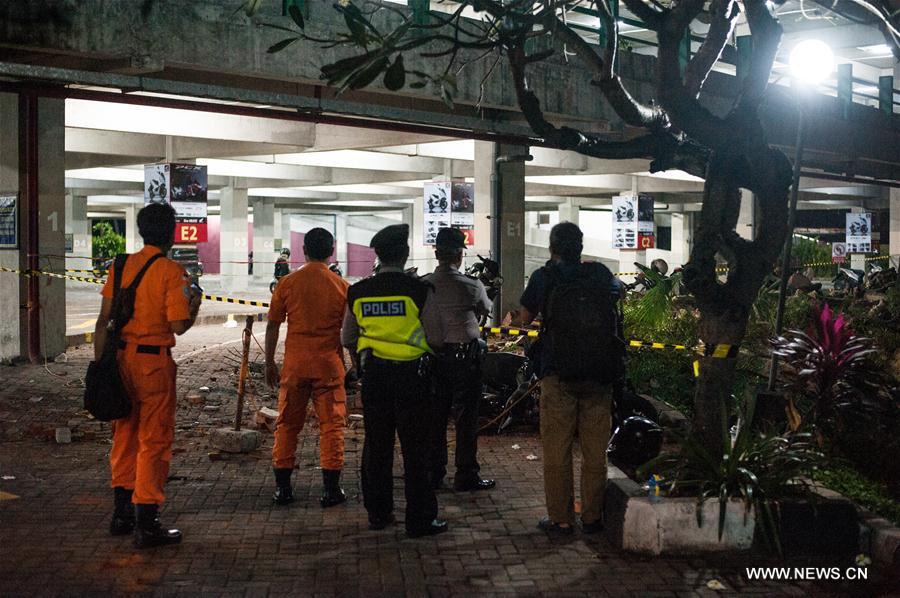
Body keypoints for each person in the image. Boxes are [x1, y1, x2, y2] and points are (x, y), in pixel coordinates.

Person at [94, 202, 201, 549]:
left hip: (121, 360)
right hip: (154, 365)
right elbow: (178, 326)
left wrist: (100, 366)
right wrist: (194, 305)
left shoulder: (121, 265)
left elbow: (102, 320)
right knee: (153, 440)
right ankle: (147, 520)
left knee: (124, 434)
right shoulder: (172, 272)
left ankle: (121, 513)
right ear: (171, 233)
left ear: (141, 231)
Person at [341, 224, 448, 538]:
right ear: (404, 255)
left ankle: (378, 514)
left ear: (378, 255)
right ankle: (420, 520)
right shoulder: (418, 290)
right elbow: (438, 338)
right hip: (413, 380)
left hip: (375, 379)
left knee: (377, 448)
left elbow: (347, 336)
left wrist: (360, 366)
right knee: (416, 450)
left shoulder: (358, 291)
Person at [519, 222, 623, 536]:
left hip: (558, 372)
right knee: (594, 451)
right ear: (580, 247)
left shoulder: (544, 277)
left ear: (553, 248)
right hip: (599, 373)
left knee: (557, 450)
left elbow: (526, 317)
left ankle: (561, 519)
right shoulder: (601, 274)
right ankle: (592, 517)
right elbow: (618, 296)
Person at [265, 228, 351, 508]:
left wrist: (269, 362)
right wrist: (355, 364)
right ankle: (330, 489)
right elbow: (349, 332)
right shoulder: (342, 286)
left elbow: (273, 324)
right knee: (331, 426)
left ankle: (283, 489)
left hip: (295, 366)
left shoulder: (287, 283)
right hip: (328, 366)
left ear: (304, 250)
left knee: (287, 424)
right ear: (332, 251)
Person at [422, 228, 495, 492]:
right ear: (459, 255)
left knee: (435, 417)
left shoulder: (423, 284)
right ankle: (466, 474)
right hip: (466, 358)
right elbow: (486, 309)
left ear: (436, 253)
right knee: (466, 418)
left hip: (433, 358)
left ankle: (434, 472)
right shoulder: (470, 285)